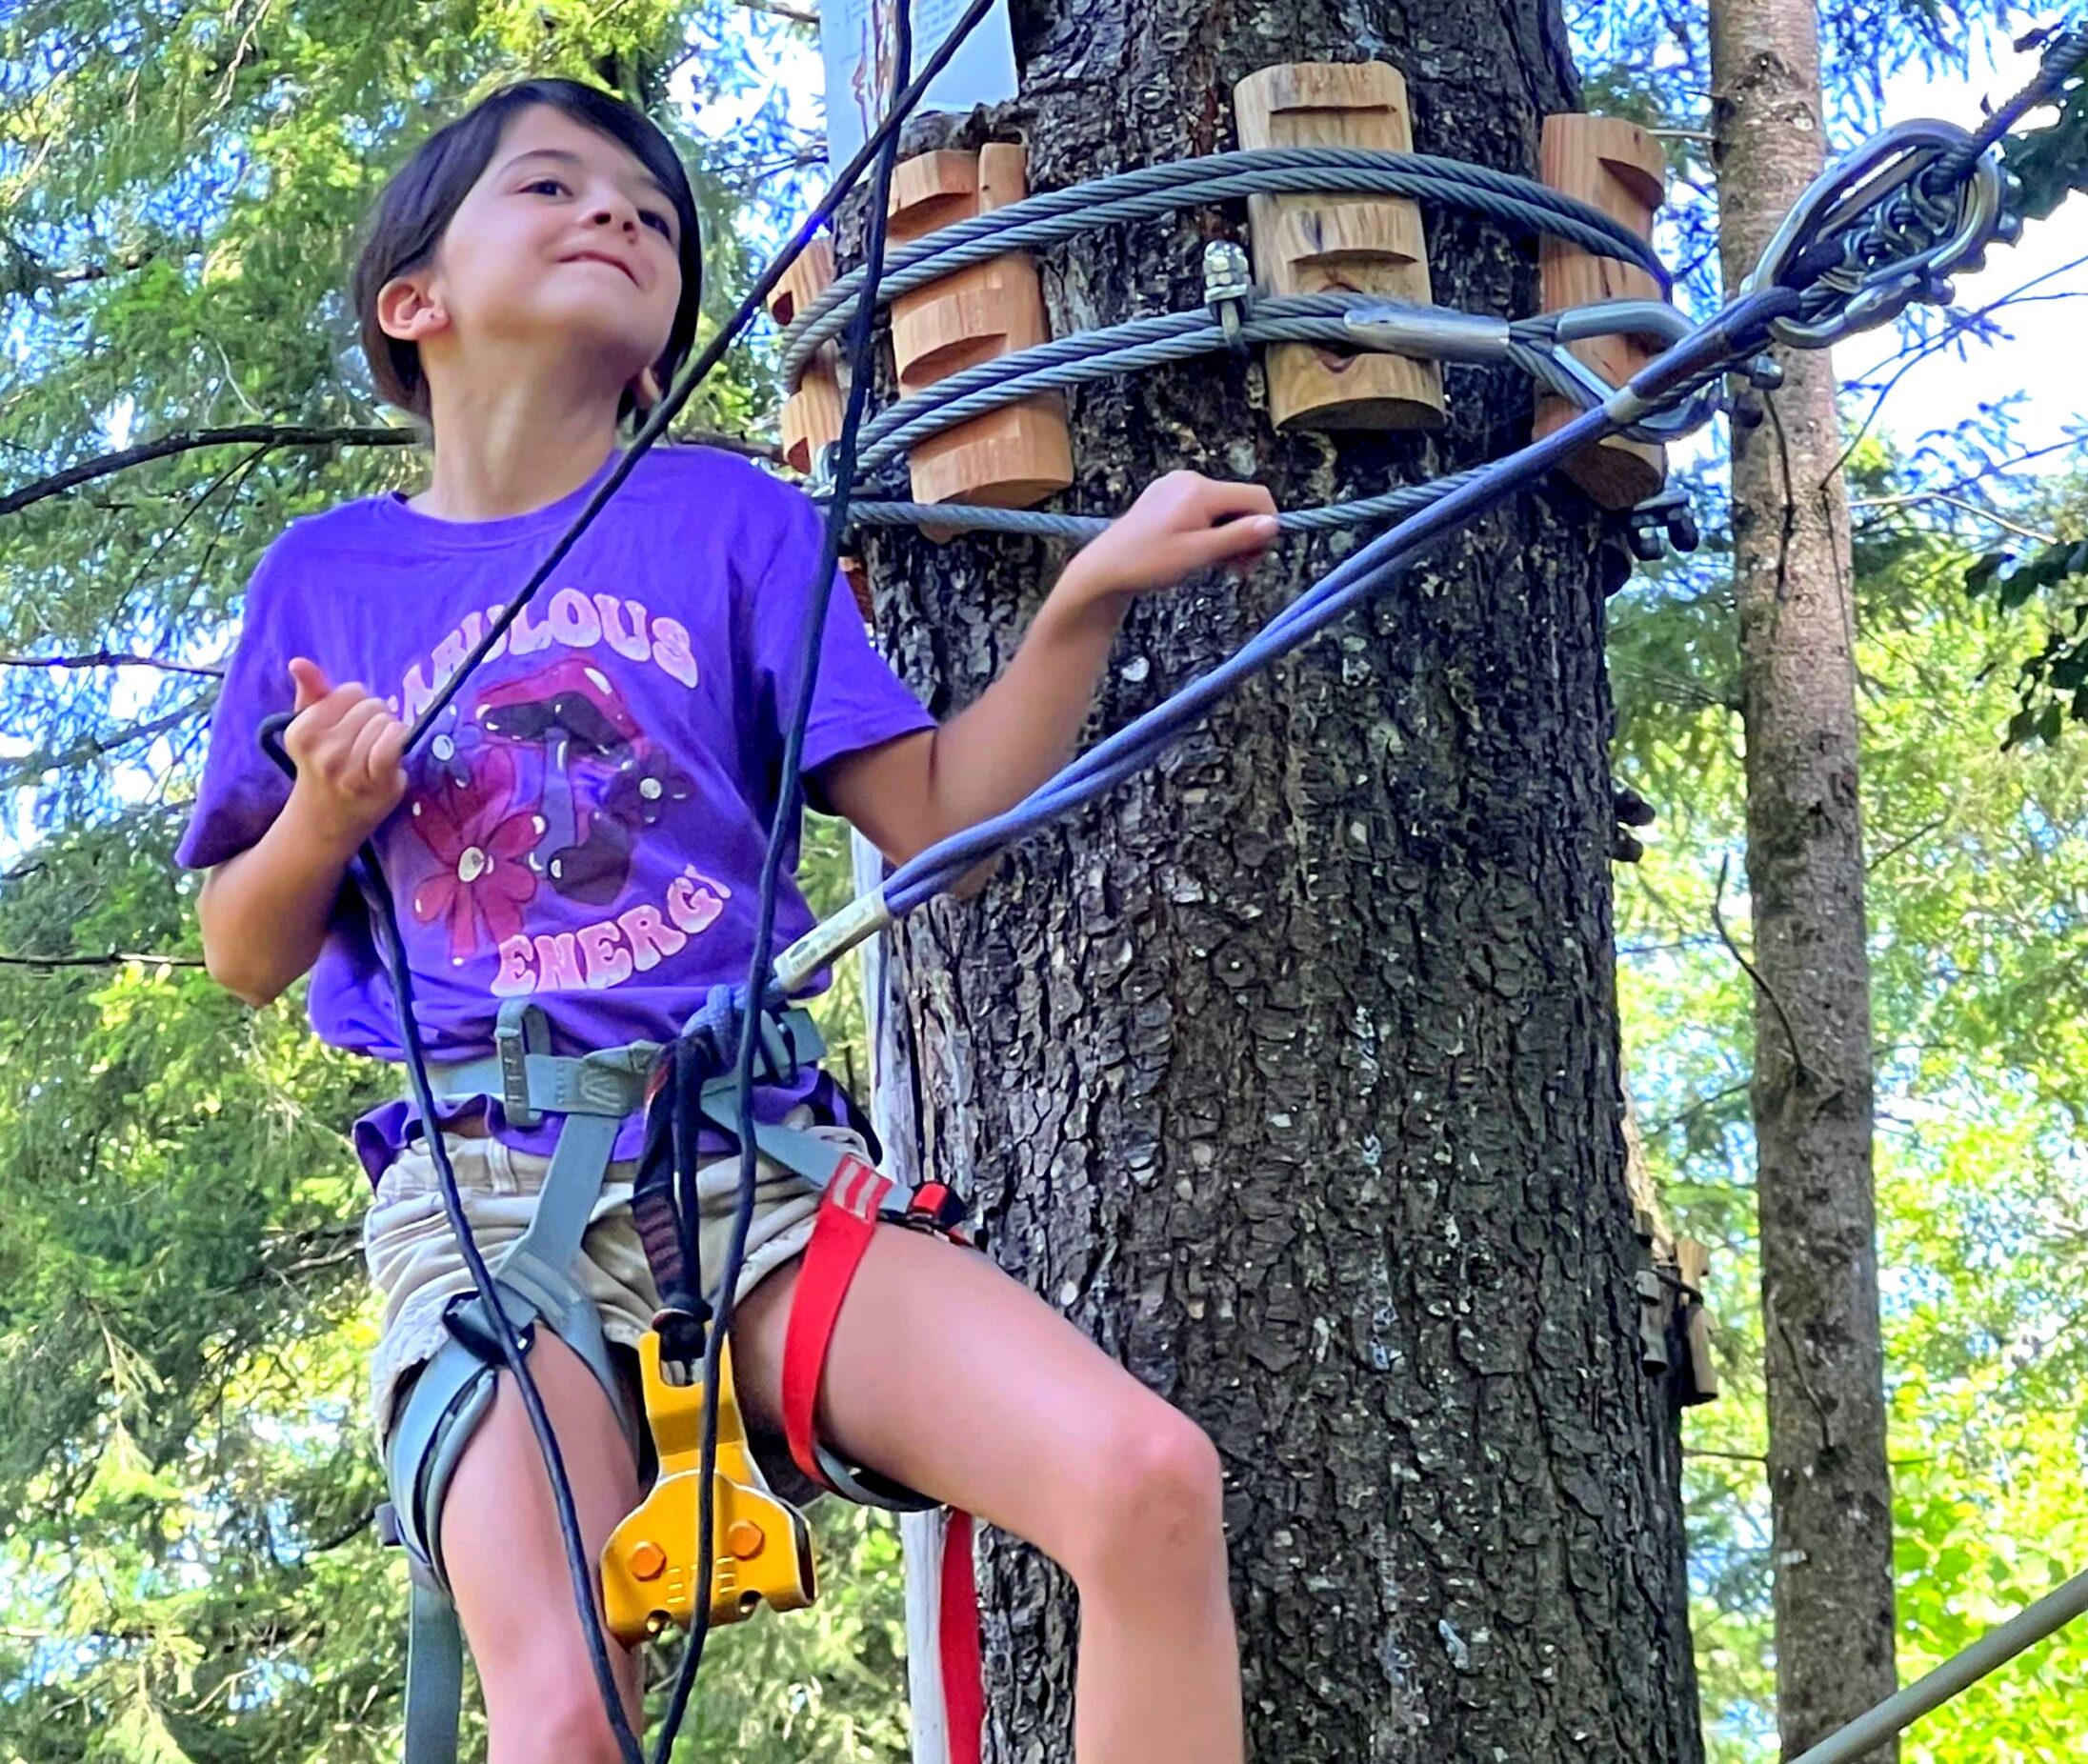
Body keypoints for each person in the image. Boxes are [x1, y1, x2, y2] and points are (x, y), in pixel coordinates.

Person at [181, 76, 1273, 1764]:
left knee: (1145, 1482)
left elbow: (939, 832)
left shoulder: (734, 524)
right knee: (559, 1717)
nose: (619, 216)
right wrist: (325, 814)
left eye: (655, 215)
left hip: (744, 1161)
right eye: (552, 186)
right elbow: (246, 950)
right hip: (480, 1189)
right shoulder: (326, 581)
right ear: (416, 303)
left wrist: (1084, 603)